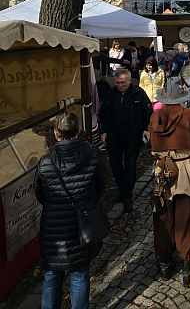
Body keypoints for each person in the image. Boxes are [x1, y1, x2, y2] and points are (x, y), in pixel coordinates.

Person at [35, 110, 107, 309]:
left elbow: (40, 194)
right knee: (80, 272)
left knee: (52, 274)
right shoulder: (94, 154)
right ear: (78, 130)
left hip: (54, 227)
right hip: (83, 223)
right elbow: (101, 185)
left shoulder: (45, 162)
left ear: (56, 134)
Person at [148, 79, 190, 287]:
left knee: (163, 215)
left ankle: (164, 262)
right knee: (186, 215)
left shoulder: (155, 117)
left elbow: (152, 141)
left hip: (162, 170)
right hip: (186, 167)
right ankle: (187, 265)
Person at [99, 69, 153, 213]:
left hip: (132, 136)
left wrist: (146, 129)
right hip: (114, 137)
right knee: (115, 165)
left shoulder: (139, 94)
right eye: (118, 83)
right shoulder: (111, 94)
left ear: (129, 81)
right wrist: (103, 131)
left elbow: (148, 112)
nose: (120, 85)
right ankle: (122, 189)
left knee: (130, 165)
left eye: (123, 82)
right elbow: (103, 114)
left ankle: (127, 194)